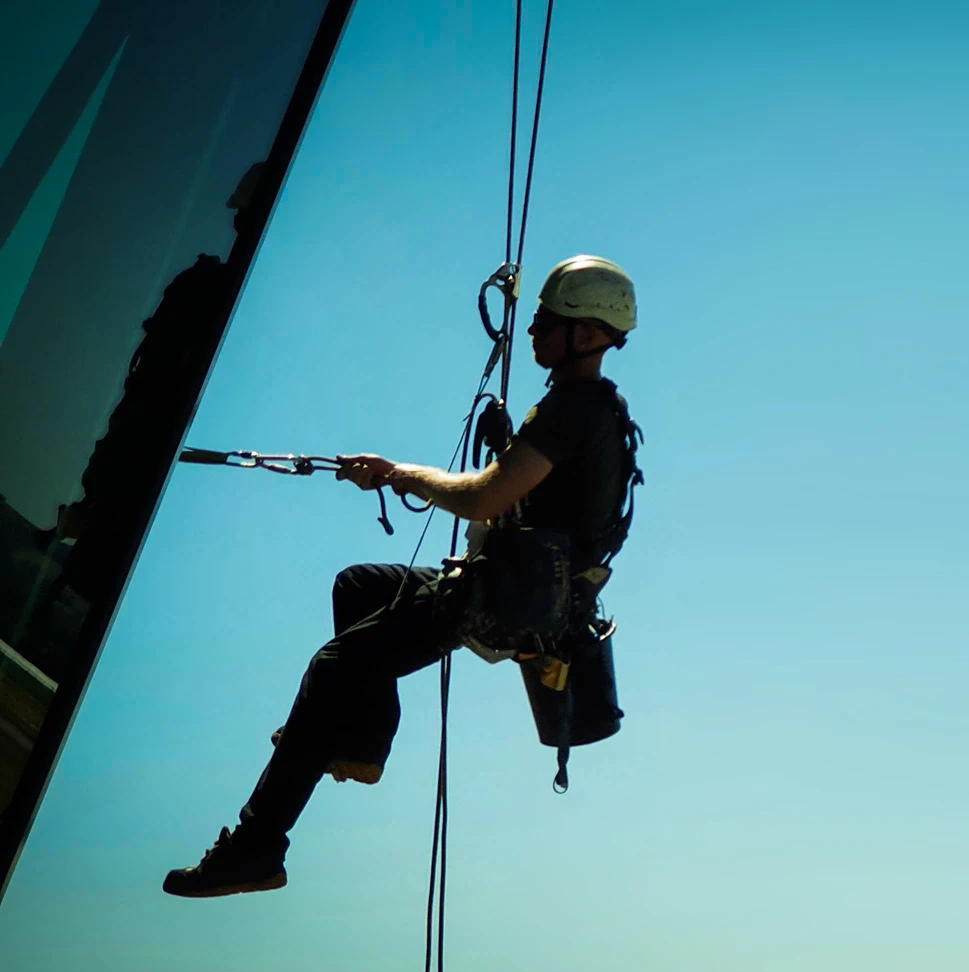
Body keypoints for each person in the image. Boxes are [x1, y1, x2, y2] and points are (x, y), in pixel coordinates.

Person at [163, 255, 642, 898]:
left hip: (510, 597)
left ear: (585, 333)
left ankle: (255, 849)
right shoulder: (597, 409)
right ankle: (360, 744)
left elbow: (482, 498)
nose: (531, 330)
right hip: (529, 588)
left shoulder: (572, 410)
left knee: (335, 667)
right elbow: (539, 500)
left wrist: (398, 474)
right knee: (358, 585)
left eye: (545, 320)